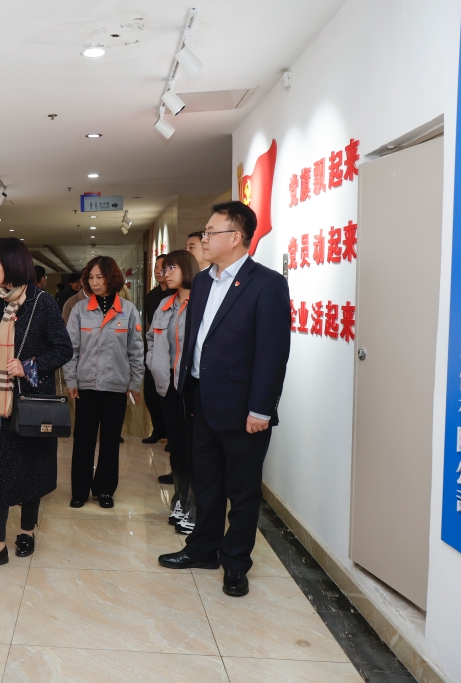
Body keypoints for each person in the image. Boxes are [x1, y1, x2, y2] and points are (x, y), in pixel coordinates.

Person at [158, 202, 290, 598]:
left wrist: (261, 408)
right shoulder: (202, 281)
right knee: (207, 481)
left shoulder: (266, 284)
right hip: (201, 399)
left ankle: (235, 563)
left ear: (235, 237)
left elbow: (272, 352)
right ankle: (202, 548)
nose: (204, 238)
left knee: (243, 489)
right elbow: (198, 339)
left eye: (210, 232)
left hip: (243, 407)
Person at [0, 238, 73, 569]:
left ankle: (27, 531)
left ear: (13, 263)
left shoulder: (42, 303)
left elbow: (63, 349)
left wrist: (29, 366)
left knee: (31, 469)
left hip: (30, 403)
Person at [63, 256, 144, 509]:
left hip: (116, 386)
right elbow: (71, 350)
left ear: (112, 278)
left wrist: (136, 383)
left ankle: (105, 490)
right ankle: (80, 490)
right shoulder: (80, 310)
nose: (94, 282)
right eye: (91, 278)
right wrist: (70, 380)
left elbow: (136, 350)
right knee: (83, 439)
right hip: (86, 386)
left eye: (100, 277)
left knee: (110, 440)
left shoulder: (128, 310)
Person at [146, 249, 200, 535]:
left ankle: (195, 504)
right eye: (163, 269)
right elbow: (151, 340)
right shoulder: (165, 304)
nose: (164, 274)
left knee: (194, 449)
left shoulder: (201, 303)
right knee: (177, 447)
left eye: (170, 269)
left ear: (187, 269)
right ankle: (180, 496)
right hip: (167, 385)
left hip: (191, 386)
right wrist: (153, 365)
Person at [142, 254, 174, 449]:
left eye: (163, 267)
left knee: (168, 397)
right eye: (156, 267)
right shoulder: (152, 296)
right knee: (150, 394)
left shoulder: (175, 295)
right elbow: (150, 326)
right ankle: (158, 429)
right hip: (153, 353)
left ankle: (171, 435)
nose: (159, 271)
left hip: (170, 355)